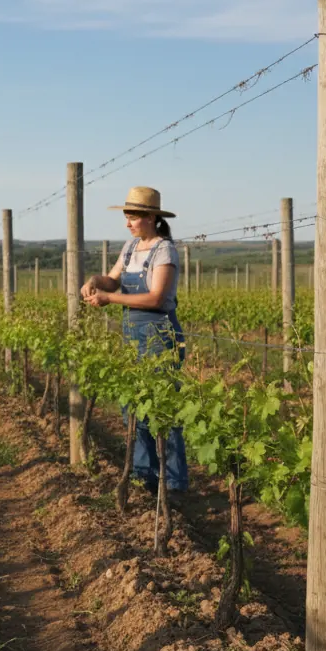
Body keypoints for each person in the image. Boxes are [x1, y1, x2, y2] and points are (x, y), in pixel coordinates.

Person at [79, 186, 187, 494]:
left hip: (159, 336)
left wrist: (110, 298)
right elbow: (112, 279)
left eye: (133, 218)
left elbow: (156, 298)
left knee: (162, 410)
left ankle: (173, 484)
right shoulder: (130, 247)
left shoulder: (164, 250)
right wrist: (94, 282)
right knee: (133, 406)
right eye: (127, 217)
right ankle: (144, 476)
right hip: (132, 334)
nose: (128, 224)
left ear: (152, 217)